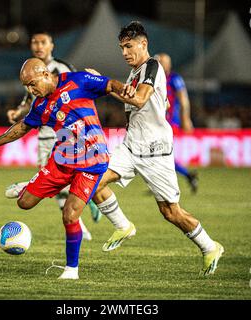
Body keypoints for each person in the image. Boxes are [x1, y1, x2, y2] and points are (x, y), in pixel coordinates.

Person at [0, 58, 136, 280]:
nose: (31, 90)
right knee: (24, 203)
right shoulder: (40, 106)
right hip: (62, 161)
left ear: (46, 74)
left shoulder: (78, 81)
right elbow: (22, 127)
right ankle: (34, 185)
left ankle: (71, 270)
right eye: (26, 87)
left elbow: (109, 84)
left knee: (69, 216)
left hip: (91, 162)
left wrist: (125, 90)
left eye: (32, 84)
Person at [90, 21, 224, 276]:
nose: (124, 52)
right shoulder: (134, 72)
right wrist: (104, 86)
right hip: (131, 148)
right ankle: (123, 225)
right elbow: (130, 98)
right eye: (121, 48)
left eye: (129, 46)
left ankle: (209, 247)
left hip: (156, 153)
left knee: (171, 213)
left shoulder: (152, 66)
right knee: (92, 180)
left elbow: (139, 99)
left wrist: (106, 82)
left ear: (143, 44)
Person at [4, 32, 102, 241]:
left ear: (51, 46)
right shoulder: (29, 72)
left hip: (65, 136)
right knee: (50, 178)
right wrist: (19, 111)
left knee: (52, 177)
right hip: (43, 133)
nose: (38, 46)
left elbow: (80, 90)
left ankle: (83, 214)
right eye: (34, 42)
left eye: (43, 42)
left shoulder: (62, 69)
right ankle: (85, 210)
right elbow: (29, 101)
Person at [155, 53, 198, 193]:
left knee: (162, 153)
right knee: (160, 153)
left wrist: (186, 119)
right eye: (160, 61)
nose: (161, 64)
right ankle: (170, 180)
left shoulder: (174, 78)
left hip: (170, 122)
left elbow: (184, 99)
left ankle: (183, 177)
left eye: (163, 62)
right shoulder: (156, 78)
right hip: (158, 122)